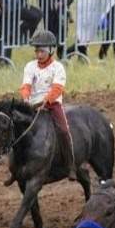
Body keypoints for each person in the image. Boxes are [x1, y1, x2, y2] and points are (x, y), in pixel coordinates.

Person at [19, 30, 78, 180]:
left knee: (64, 131)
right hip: (32, 105)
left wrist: (46, 100)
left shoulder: (58, 68)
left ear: (51, 50)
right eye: (37, 51)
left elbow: (58, 88)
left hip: (52, 105)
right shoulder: (30, 66)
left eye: (42, 51)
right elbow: (26, 85)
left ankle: (70, 165)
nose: (38, 55)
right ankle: (16, 166)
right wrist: (26, 98)